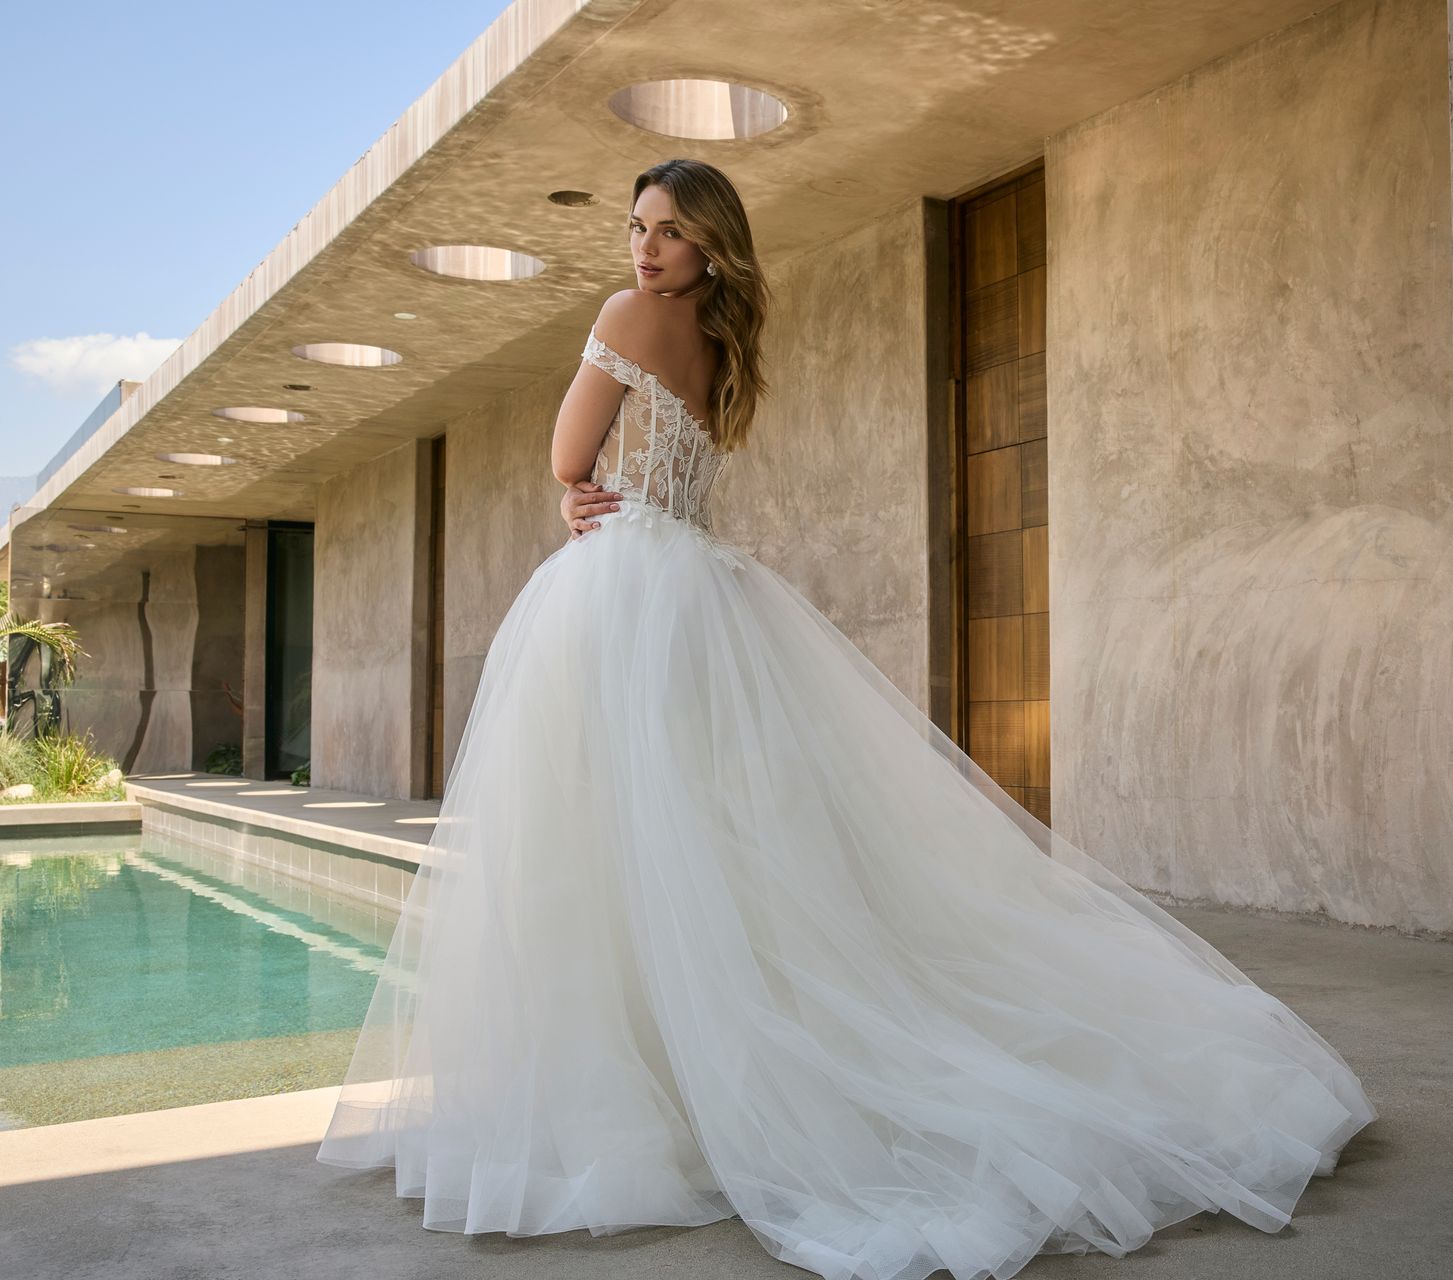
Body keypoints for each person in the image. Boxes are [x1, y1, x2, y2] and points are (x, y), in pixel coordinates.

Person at [315, 157, 1375, 1280]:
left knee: (602, 838)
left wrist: (570, 487)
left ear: (710, 242)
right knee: (695, 840)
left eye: (668, 230)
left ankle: (640, 1091)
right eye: (636, 228)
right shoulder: (722, 341)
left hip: (624, 591)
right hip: (695, 595)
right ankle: (698, 1071)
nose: (644, 249)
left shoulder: (628, 317)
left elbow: (568, 459)